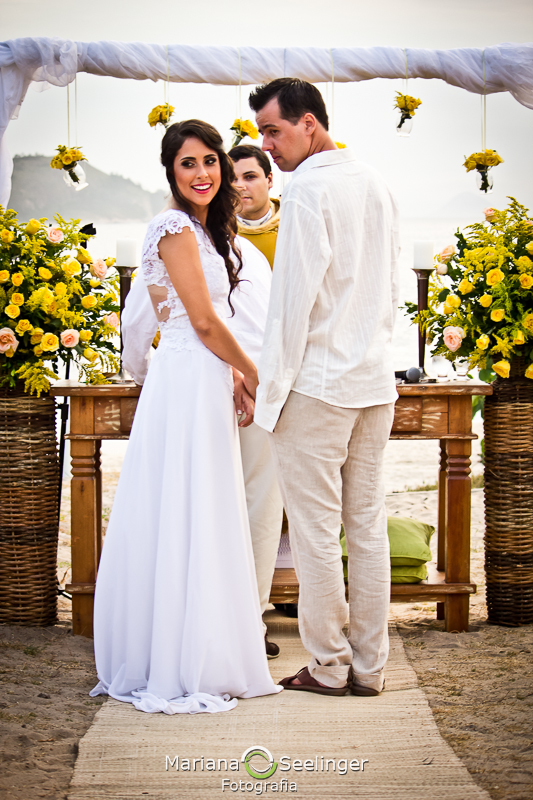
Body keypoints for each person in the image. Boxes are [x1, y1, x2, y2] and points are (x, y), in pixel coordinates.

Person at [90, 119, 282, 714]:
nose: (202, 173)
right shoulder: (172, 226)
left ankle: (205, 643)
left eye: (209, 161)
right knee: (186, 506)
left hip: (203, 378)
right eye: (187, 164)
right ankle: (176, 655)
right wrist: (254, 372)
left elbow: (205, 323)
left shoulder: (208, 230)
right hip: (185, 380)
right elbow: (199, 322)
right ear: (171, 173)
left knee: (207, 508)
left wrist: (232, 377)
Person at [249, 78, 400, 697]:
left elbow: (290, 306)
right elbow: (392, 288)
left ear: (309, 123)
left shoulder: (307, 189)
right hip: (373, 382)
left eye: (273, 130)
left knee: (315, 530)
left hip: (316, 385)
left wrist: (269, 397)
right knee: (365, 525)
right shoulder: (373, 180)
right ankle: (371, 668)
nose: (267, 145)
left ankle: (330, 668)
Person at [121, 233, 284, 658]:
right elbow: (272, 324)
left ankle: (203, 622)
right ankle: (246, 620)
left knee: (196, 506)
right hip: (253, 382)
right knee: (255, 508)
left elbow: (138, 323)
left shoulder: (175, 245)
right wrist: (262, 380)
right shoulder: (247, 253)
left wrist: (143, 379)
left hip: (204, 384)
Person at [228, 144, 280, 269]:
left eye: (250, 177)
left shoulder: (294, 222)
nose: (240, 186)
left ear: (269, 180)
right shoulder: (216, 230)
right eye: (232, 179)